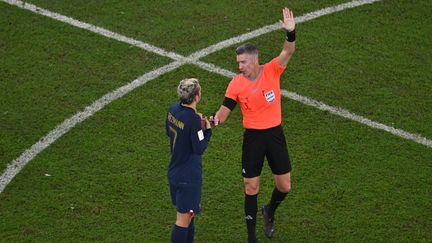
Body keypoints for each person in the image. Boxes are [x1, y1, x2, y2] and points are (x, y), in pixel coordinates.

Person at [210, 8, 296, 243]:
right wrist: (209, 121)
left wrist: (291, 33)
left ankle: (269, 210)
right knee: (251, 187)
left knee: (285, 186)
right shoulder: (236, 84)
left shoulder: (272, 70)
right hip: (253, 139)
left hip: (274, 135)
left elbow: (288, 51)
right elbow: (224, 112)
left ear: (255, 60)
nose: (240, 66)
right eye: (238, 63)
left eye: (243, 62)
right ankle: (251, 238)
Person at [166, 78, 212, 243]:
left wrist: (194, 123)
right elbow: (199, 148)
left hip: (175, 171)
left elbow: (169, 131)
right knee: (183, 220)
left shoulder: (172, 109)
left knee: (189, 215)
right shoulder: (193, 120)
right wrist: (207, 130)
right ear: (197, 96)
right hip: (188, 177)